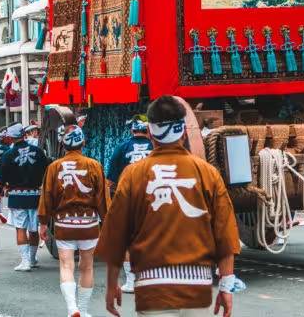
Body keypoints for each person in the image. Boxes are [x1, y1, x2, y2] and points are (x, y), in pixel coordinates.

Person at [100, 95, 239, 317]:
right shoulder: (207, 173)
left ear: (152, 133)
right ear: (184, 131)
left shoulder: (133, 174)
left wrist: (112, 284)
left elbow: (117, 235)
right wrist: (226, 286)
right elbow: (225, 235)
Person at [39, 125, 109, 317]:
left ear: (63, 144)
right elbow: (103, 199)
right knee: (86, 266)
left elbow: (46, 197)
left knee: (66, 265)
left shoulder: (54, 167)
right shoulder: (94, 165)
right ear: (83, 143)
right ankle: (84, 310)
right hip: (89, 224)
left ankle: (72, 309)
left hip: (64, 223)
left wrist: (43, 223)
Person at [106, 115, 156, 292]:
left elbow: (110, 180)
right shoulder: (156, 147)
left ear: (132, 130)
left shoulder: (122, 147)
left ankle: (132, 280)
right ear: (147, 131)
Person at [0, 123, 50, 272]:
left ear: (10, 137)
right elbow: (46, 169)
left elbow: (2, 176)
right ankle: (33, 259)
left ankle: (25, 261)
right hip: (35, 194)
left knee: (20, 228)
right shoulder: (38, 151)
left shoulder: (8, 154)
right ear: (23, 135)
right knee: (33, 229)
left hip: (17, 195)